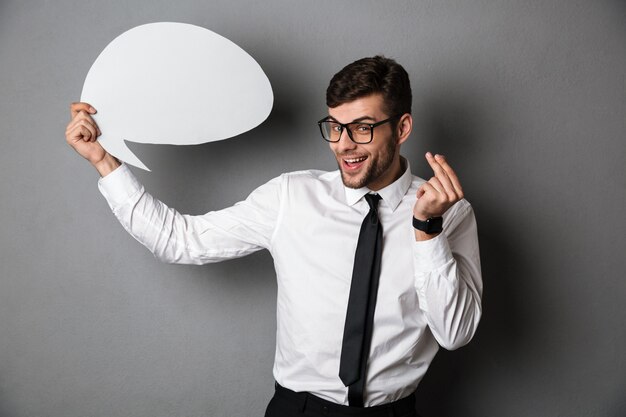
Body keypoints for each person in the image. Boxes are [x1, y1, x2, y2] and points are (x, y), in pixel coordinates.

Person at [65, 56, 482, 417]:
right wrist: (103, 160)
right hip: (296, 410)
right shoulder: (291, 196)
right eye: (334, 127)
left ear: (403, 127)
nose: (344, 145)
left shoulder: (452, 212)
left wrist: (427, 230)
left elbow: (456, 333)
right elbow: (179, 240)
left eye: (363, 128)